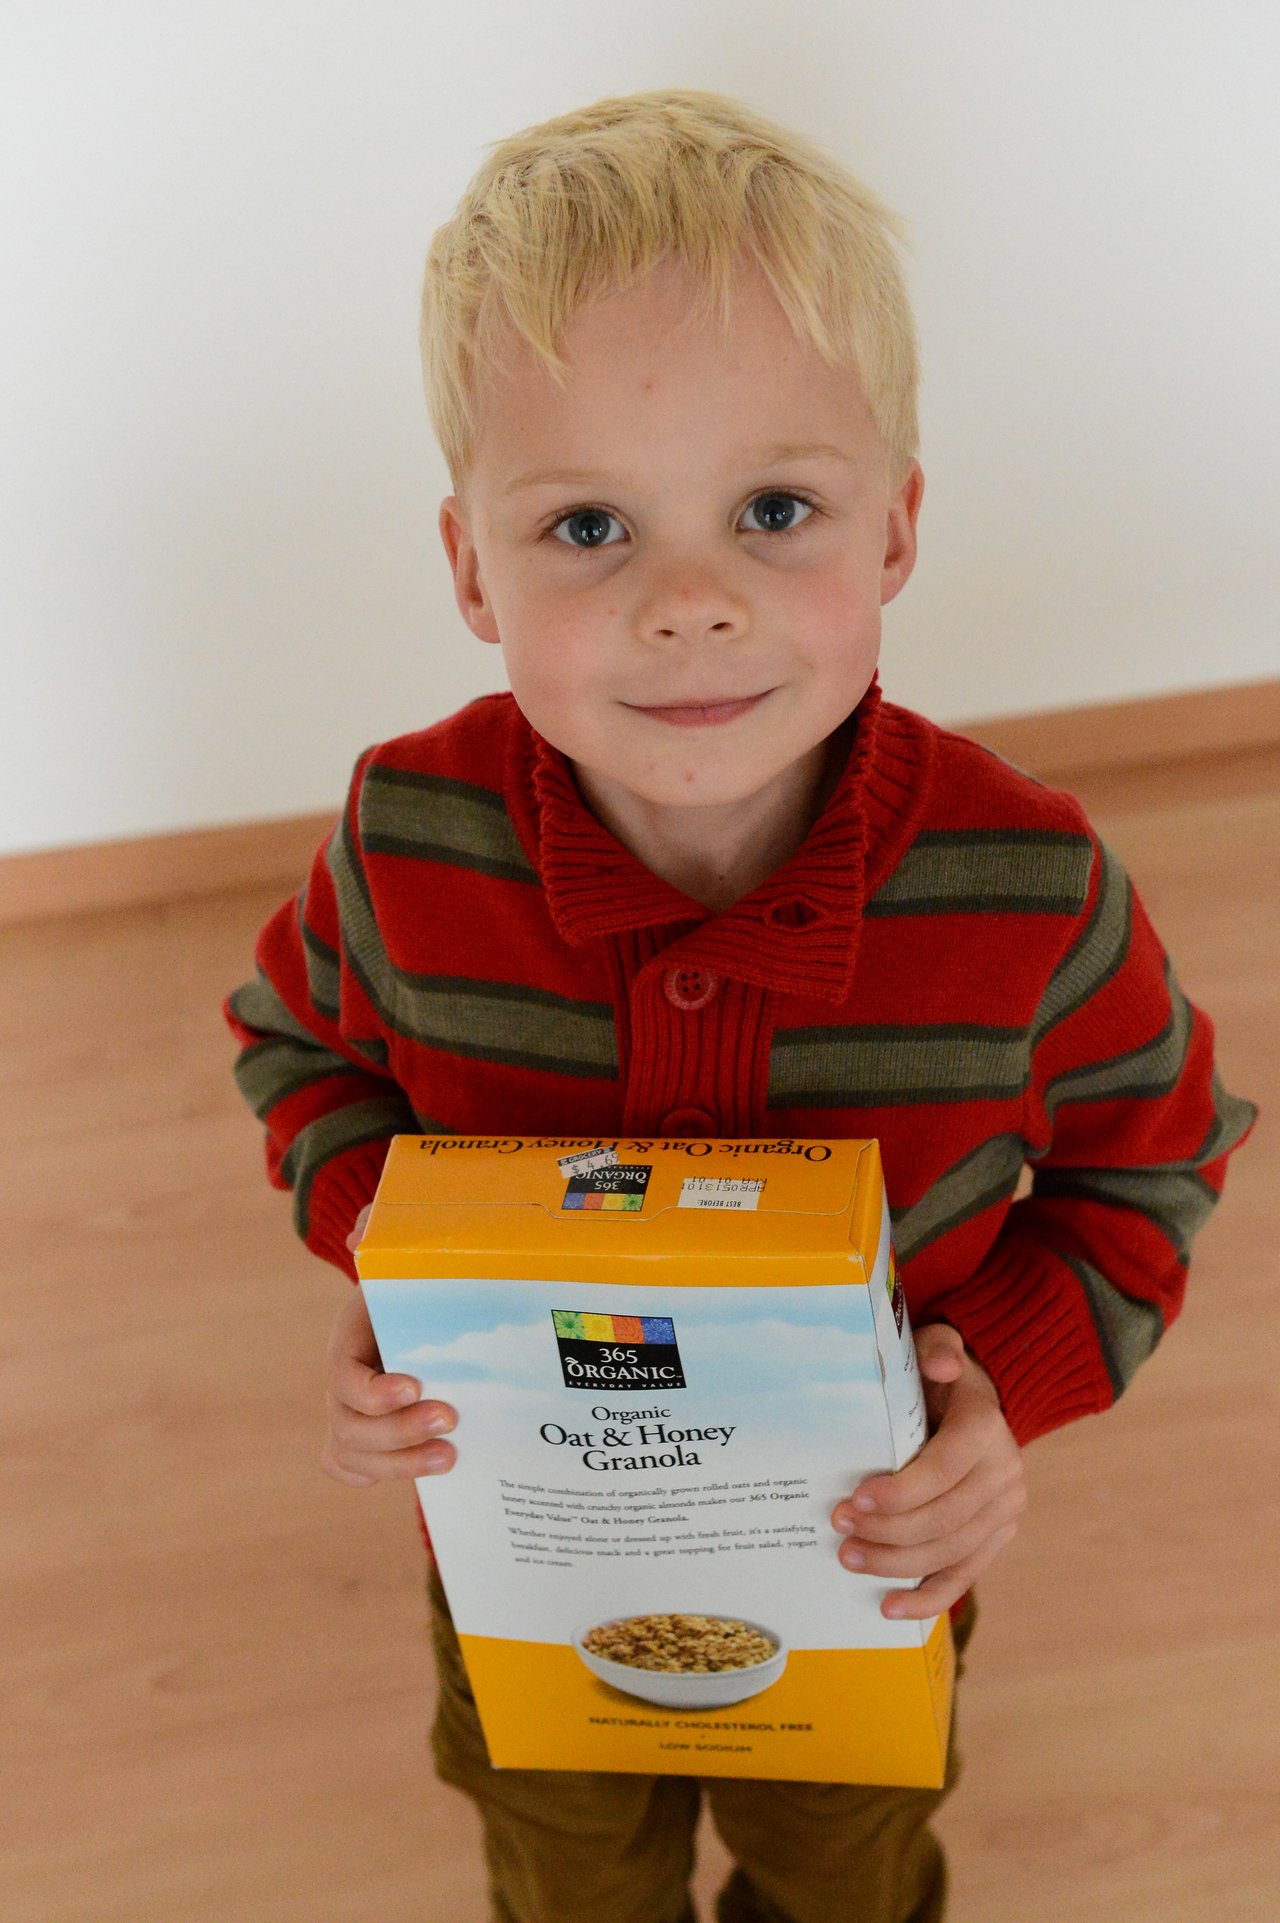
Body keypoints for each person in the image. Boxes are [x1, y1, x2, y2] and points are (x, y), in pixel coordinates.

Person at [222, 88, 1257, 1923]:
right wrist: (406, 1269)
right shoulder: (405, 839)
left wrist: (995, 1396)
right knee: (565, 1868)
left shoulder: (1028, 888)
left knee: (843, 1876)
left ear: (896, 532)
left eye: (775, 510)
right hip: (530, 1554)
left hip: (864, 1565)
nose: (692, 603)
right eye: (590, 525)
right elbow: (299, 1046)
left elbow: (1152, 1167)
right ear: (469, 568)